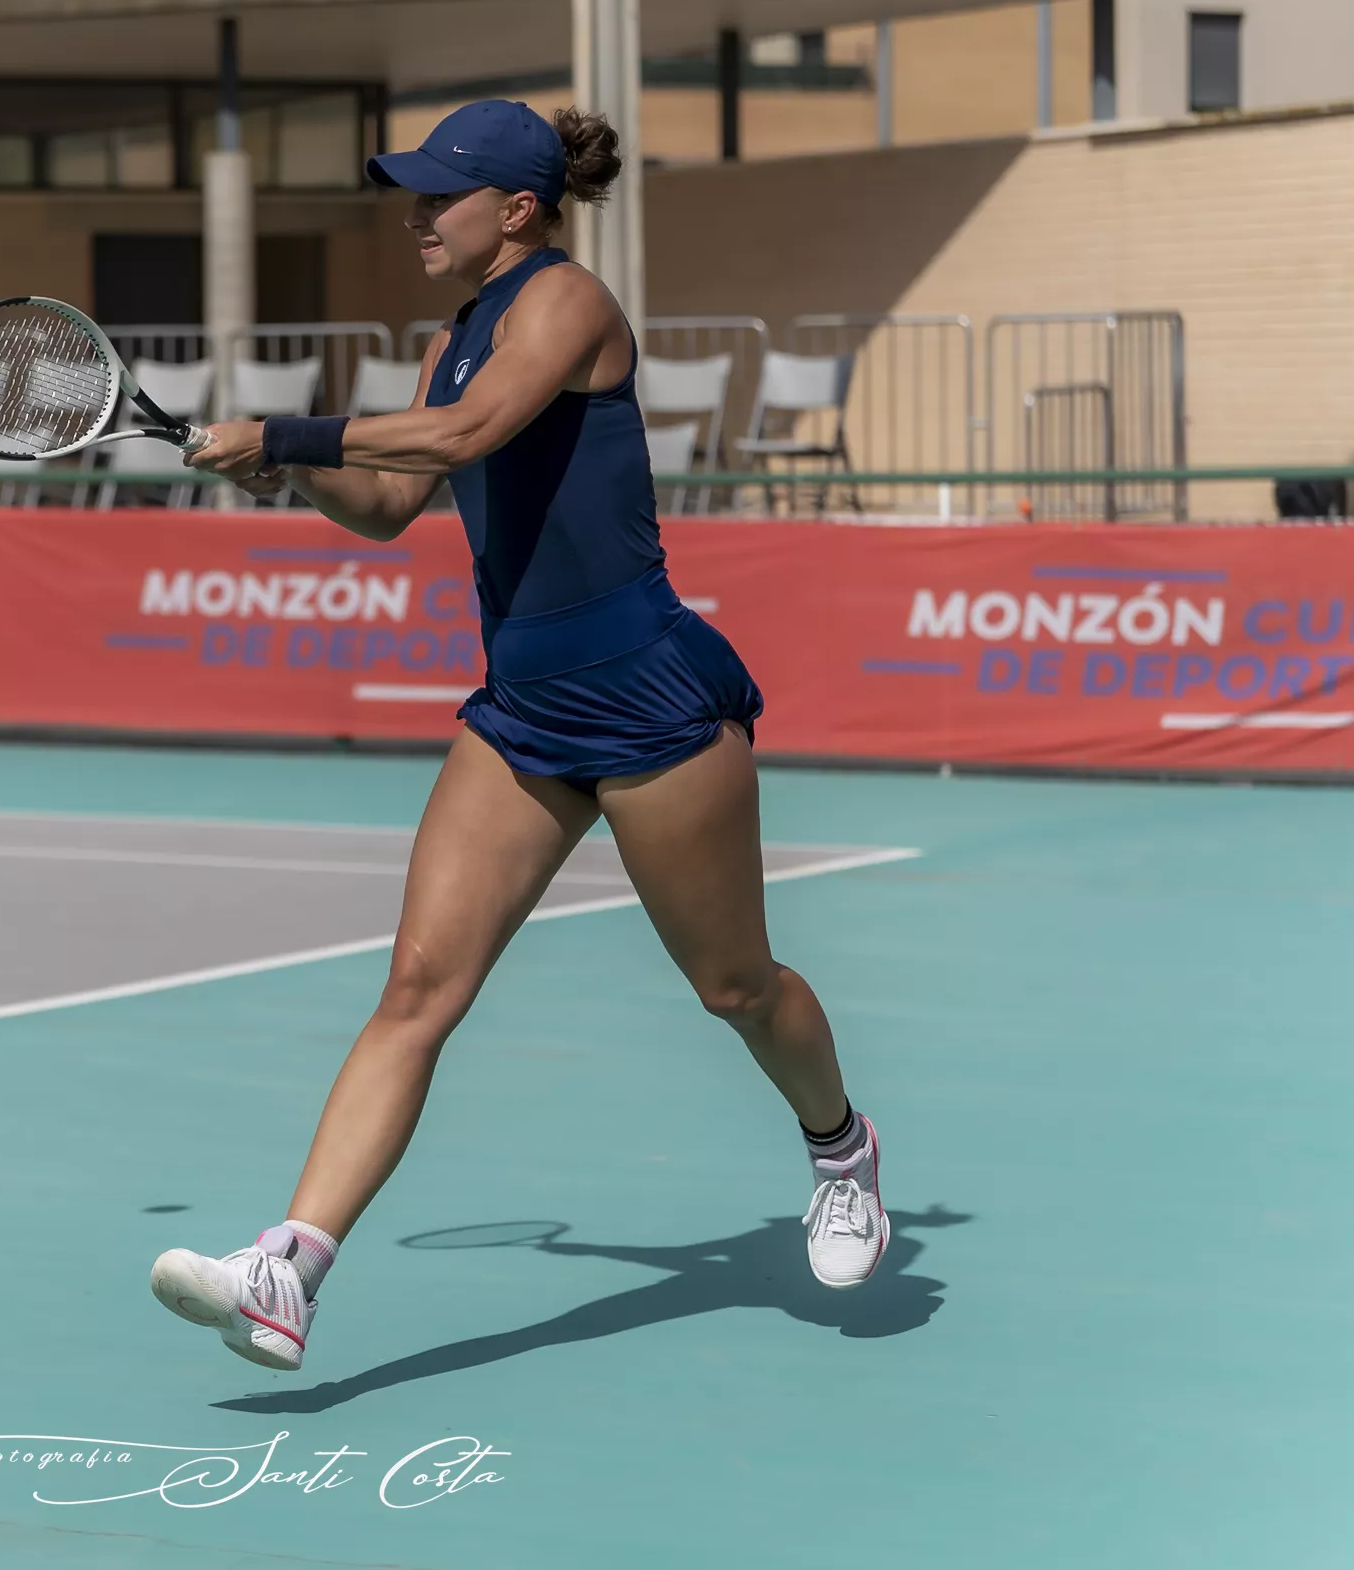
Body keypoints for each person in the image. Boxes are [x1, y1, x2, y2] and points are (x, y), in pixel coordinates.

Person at [151, 100, 887, 1373]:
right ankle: (289, 1268)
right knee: (417, 988)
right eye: (412, 195)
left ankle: (838, 1145)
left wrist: (284, 430)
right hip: (525, 708)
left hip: (649, 692)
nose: (415, 215)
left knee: (735, 989)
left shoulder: (565, 301)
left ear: (519, 209)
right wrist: (296, 473)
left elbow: (468, 434)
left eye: (439, 195)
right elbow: (389, 503)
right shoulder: (457, 339)